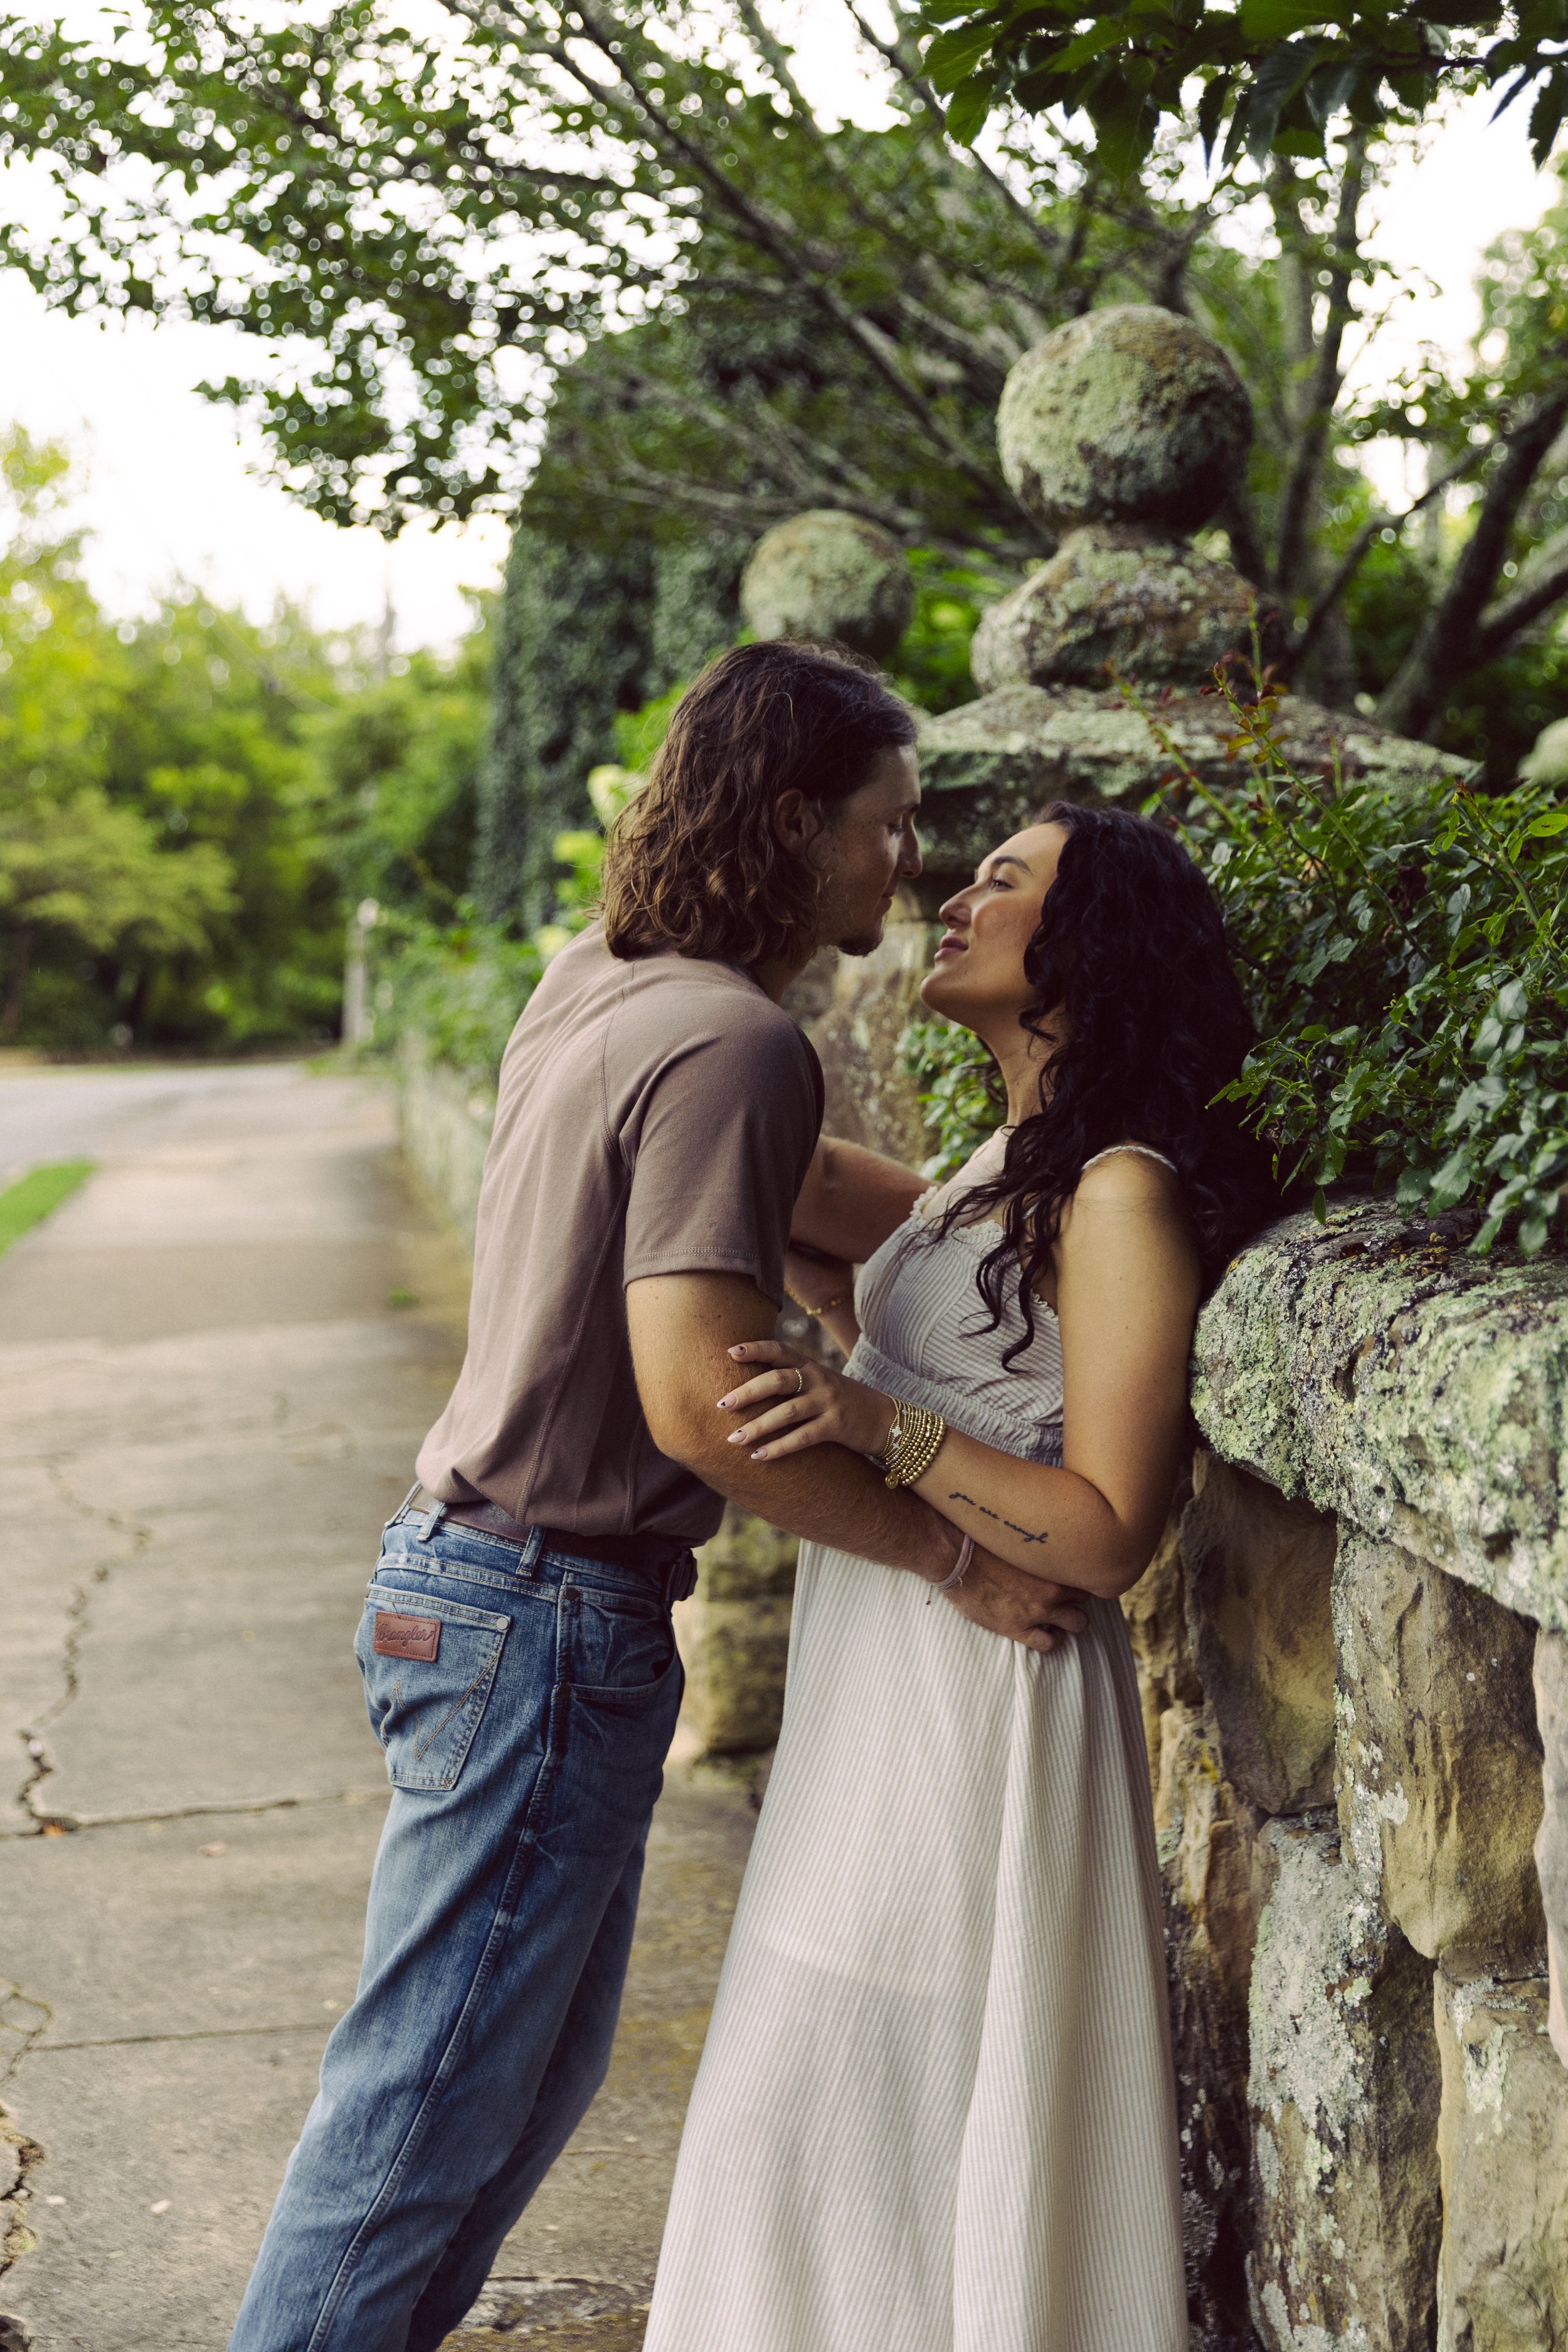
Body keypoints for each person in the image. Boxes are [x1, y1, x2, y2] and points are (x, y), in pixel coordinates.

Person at [227, 642, 1091, 2352]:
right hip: (542, 1619)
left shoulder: (601, 979)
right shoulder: (734, 1039)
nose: (902, 865)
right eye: (884, 825)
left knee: (489, 2107)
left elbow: (823, 1202)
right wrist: (949, 1554)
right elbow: (700, 1400)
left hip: (464, 1588)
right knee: (419, 2124)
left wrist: (1070, 1195)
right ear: (791, 822)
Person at [642, 801, 1278, 2352]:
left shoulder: (1113, 1195)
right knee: (819, 2128)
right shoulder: (995, 1167)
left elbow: (1110, 1527)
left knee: (860, 2118)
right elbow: (779, 1171)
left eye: (1000, 880)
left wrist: (879, 1424)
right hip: (878, 1704)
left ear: (1086, 947)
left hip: (984, 1705)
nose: (949, 894)